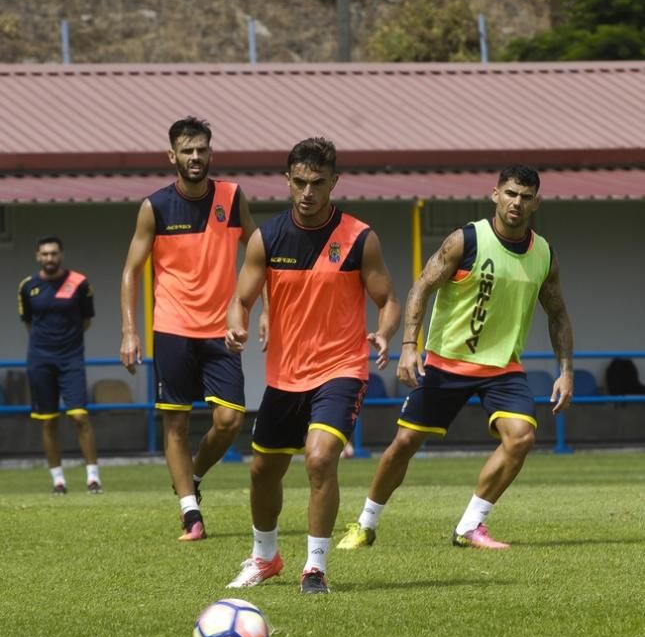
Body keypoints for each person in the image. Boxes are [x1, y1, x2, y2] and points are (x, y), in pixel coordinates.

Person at [338, 165, 574, 551]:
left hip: (502, 368)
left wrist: (565, 371)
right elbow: (421, 286)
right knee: (405, 442)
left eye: (526, 196)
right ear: (495, 194)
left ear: (536, 202)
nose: (517, 202)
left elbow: (558, 313)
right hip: (446, 363)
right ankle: (365, 524)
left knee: (521, 437)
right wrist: (410, 345)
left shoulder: (543, 254)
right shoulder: (466, 240)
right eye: (511, 193)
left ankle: (470, 526)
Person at [224, 137, 400, 593]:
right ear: (287, 181)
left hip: (341, 369)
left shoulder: (360, 238)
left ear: (334, 182)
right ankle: (265, 558)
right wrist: (236, 325)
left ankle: (315, 568)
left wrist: (384, 332)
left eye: (318, 183)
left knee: (321, 458)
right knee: (263, 471)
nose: (307, 192)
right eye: (299, 182)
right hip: (285, 376)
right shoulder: (267, 238)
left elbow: (388, 301)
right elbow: (239, 299)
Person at [120, 116, 266, 541]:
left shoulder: (231, 196)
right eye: (187, 151)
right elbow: (131, 271)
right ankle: (190, 514)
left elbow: (260, 252)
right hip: (172, 327)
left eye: (202, 149)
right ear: (172, 156)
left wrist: (264, 310)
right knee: (177, 424)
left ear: (211, 153)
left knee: (229, 420)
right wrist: (131, 331)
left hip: (221, 329)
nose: (195, 157)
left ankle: (194, 475)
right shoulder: (155, 208)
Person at [18, 235, 103, 494]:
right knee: (48, 421)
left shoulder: (79, 283)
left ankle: (93, 478)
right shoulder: (27, 286)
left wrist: (67, 343)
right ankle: (58, 480)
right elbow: (29, 323)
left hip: (71, 359)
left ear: (61, 255)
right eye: (44, 254)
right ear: (37, 256)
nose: (49, 258)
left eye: (54, 253)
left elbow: (86, 320)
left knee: (79, 416)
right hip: (40, 359)